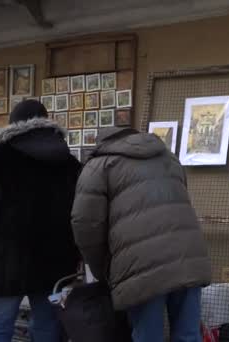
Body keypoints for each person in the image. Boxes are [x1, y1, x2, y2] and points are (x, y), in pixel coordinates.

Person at [71, 127, 211, 342]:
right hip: (189, 258)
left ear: (101, 143)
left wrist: (102, 270)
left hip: (140, 265)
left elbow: (85, 224)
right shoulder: (169, 158)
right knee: (189, 335)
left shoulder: (99, 166)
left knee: (148, 336)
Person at [0, 100, 81, 341]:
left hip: (4, 262)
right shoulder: (69, 163)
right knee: (48, 326)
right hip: (56, 259)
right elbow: (81, 213)